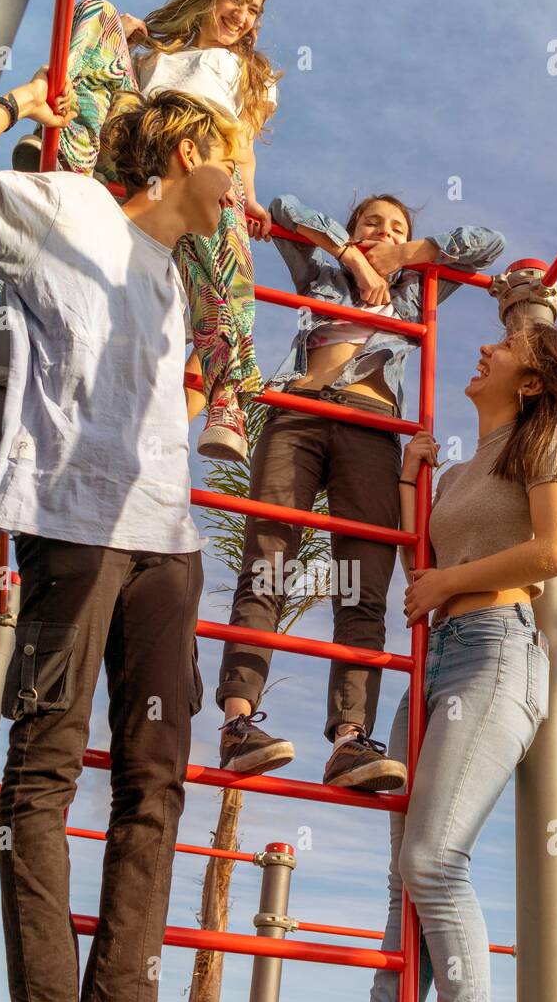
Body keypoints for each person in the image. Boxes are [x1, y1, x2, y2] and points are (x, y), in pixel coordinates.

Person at [0, 69, 245, 1002]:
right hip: (73, 524)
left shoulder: (175, 278)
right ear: (181, 153)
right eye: (230, 160)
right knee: (45, 772)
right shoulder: (69, 208)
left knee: (156, 774)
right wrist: (16, 99)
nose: (241, 189)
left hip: (166, 540)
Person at [282, 322, 557, 1002]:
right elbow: (418, 566)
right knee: (407, 879)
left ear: (537, 378)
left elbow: (554, 553)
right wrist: (408, 479)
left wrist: (447, 588)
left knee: (435, 860)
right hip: (434, 666)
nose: (484, 350)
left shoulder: (542, 442)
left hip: (496, 653)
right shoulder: (468, 467)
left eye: (507, 345)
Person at [216, 192, 505, 791]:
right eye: (372, 221)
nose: (384, 230)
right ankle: (239, 723)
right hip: (298, 412)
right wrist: (351, 256)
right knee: (268, 564)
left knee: (362, 586)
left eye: (396, 225)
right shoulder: (318, 269)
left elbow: (486, 244)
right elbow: (285, 207)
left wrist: (410, 252)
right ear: (351, 229)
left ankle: (350, 740)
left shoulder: (413, 292)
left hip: (373, 430)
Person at [12, 0, 282, 464]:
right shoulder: (156, 51)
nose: (243, 16)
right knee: (99, 12)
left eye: (254, 9)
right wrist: (132, 40)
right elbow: (118, 77)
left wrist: (247, 195)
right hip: (139, 141)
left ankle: (227, 394)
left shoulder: (251, 73)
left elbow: (242, 147)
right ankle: (67, 148)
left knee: (220, 209)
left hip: (199, 152)